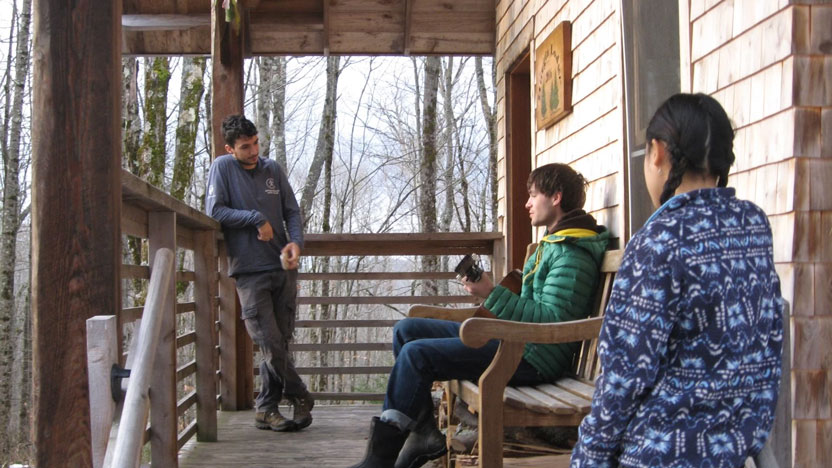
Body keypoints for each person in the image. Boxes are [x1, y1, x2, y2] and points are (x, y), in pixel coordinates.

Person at [570, 93, 784, 467]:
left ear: (657, 152)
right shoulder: (753, 224)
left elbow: (625, 374)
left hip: (664, 451)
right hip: (735, 448)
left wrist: (589, 457)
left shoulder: (660, 240)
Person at [349, 163, 610, 468]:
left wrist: (491, 293)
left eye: (533, 195)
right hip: (518, 341)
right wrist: (492, 295)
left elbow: (551, 322)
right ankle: (422, 432)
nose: (527, 203)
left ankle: (381, 459)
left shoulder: (572, 254)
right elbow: (536, 309)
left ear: (556, 197)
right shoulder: (555, 245)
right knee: (406, 329)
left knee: (415, 355)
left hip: (534, 358)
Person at [206, 114, 314, 432]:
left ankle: (266, 408)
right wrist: (255, 218)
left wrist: (296, 243)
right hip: (250, 270)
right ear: (230, 149)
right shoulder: (222, 168)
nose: (254, 151)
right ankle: (301, 394)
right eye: (245, 147)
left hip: (282, 267)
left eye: (255, 143)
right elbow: (215, 210)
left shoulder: (272, 169)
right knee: (269, 342)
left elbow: (291, 211)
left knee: (281, 341)